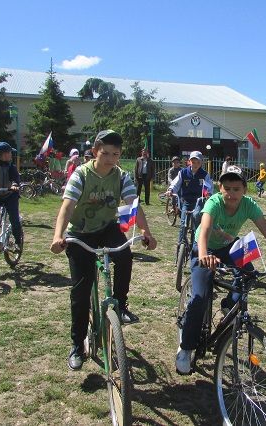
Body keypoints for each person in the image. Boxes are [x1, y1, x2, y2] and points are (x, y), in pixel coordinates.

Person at [50, 129, 157, 370]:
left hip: (107, 228)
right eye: (105, 153)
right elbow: (67, 207)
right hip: (81, 232)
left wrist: (145, 232)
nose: (110, 158)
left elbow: (133, 205)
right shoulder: (81, 174)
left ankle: (120, 304)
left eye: (115, 154)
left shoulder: (121, 176)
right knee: (80, 292)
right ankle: (77, 345)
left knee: (125, 255)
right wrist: (58, 236)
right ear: (95, 151)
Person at [175, 165, 266, 374]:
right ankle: (186, 348)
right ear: (220, 188)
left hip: (229, 247)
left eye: (236, 189)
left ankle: (228, 305)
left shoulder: (249, 205)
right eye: (227, 188)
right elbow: (203, 230)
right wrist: (204, 255)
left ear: (244, 190)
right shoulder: (213, 203)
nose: (231, 194)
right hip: (204, 249)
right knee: (199, 297)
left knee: (250, 275)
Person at [166, 151, 213, 245]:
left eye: (198, 162)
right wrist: (171, 190)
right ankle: (180, 245)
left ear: (201, 163)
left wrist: (208, 194)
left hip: (199, 201)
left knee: (196, 217)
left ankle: (195, 244)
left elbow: (208, 187)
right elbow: (176, 184)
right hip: (186, 201)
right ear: (189, 162)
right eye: (193, 162)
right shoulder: (183, 172)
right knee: (183, 224)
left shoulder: (204, 174)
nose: (195, 164)